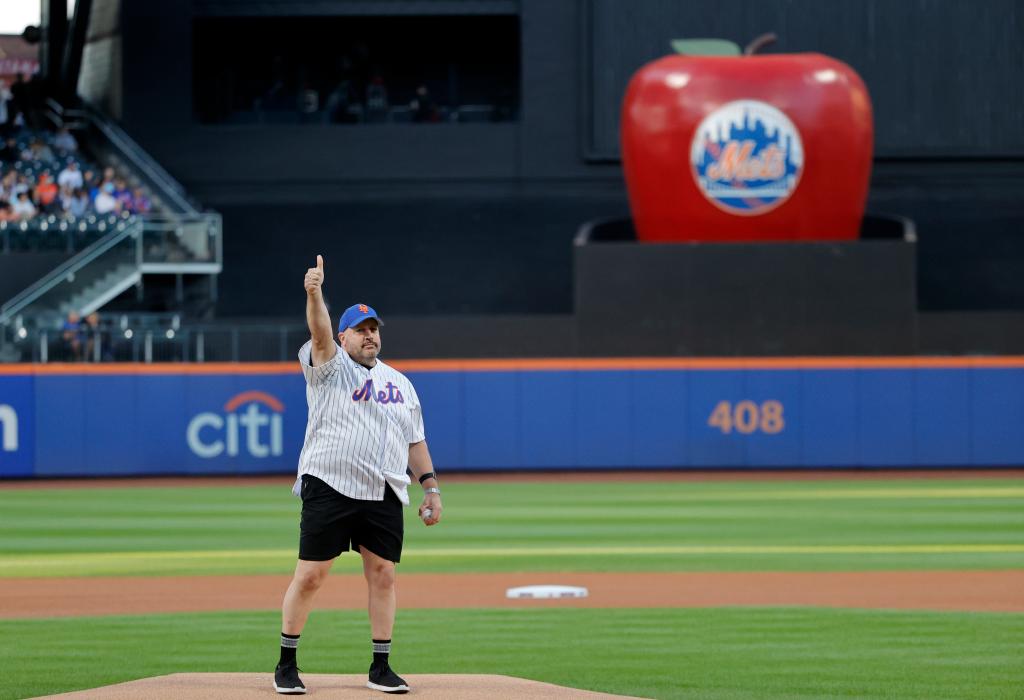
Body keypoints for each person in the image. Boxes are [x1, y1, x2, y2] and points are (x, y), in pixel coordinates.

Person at [273, 255, 443, 696]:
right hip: (328, 483)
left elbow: (415, 441)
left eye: (375, 329)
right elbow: (319, 331)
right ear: (344, 335)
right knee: (311, 575)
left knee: (384, 573)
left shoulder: (401, 383)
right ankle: (286, 663)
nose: (370, 335)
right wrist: (314, 294)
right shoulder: (328, 366)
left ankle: (380, 667)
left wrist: (431, 488)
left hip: (383, 488)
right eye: (361, 329)